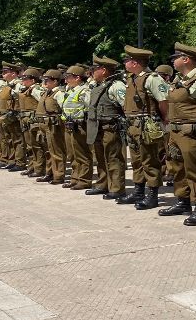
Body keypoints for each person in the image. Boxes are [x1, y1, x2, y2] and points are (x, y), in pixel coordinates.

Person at [159, 43, 196, 226]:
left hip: (193, 133)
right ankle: (183, 201)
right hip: (175, 132)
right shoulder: (178, 80)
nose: (172, 61)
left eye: (175, 58)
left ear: (186, 59)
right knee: (177, 168)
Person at [119, 45, 169, 210]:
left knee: (150, 160)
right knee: (136, 160)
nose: (125, 63)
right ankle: (138, 191)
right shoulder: (131, 78)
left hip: (146, 125)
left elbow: (163, 101)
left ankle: (152, 195)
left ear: (135, 63)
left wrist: (164, 120)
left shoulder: (152, 78)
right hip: (133, 125)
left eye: (127, 60)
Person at [85, 54, 127, 199]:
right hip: (98, 127)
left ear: (103, 70)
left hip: (111, 127)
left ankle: (117, 188)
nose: (91, 72)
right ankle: (102, 184)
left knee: (113, 157)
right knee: (101, 158)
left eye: (94, 69)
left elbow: (125, 106)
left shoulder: (116, 86)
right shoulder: (98, 86)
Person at [61, 65, 93, 190]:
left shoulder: (84, 91)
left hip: (80, 126)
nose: (66, 80)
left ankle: (84, 180)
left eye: (68, 77)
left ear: (78, 78)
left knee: (82, 154)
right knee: (72, 154)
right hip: (70, 125)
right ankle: (75, 178)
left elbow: (90, 108)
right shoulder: (71, 90)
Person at [37, 69, 68, 184]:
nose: (45, 82)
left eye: (47, 80)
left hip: (54, 125)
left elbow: (64, 108)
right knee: (48, 151)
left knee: (56, 150)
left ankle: (59, 175)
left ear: (55, 81)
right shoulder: (46, 92)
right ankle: (49, 173)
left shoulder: (58, 93)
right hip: (45, 124)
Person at [0, 62, 25, 172]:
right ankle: (12, 160)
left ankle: (20, 162)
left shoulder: (18, 85)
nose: (3, 74)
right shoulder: (6, 85)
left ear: (13, 73)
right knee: (9, 139)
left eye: (5, 72)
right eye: (3, 72)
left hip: (13, 116)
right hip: (5, 116)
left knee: (17, 140)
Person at [19, 68, 46, 177]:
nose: (22, 81)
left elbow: (43, 100)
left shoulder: (35, 89)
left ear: (33, 80)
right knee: (30, 146)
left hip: (33, 121)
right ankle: (31, 166)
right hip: (26, 121)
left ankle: (39, 168)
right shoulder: (26, 89)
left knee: (37, 145)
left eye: (25, 78)